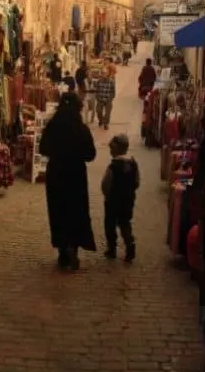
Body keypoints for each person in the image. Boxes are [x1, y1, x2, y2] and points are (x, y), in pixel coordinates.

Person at [39, 93, 97, 269]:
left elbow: (43, 148)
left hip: (56, 174)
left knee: (58, 211)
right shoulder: (81, 129)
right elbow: (90, 154)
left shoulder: (52, 127)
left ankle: (63, 251)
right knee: (76, 211)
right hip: (75, 175)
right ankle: (74, 248)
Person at [101, 134, 140, 262]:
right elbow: (137, 182)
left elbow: (106, 184)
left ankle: (112, 249)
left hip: (112, 201)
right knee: (125, 223)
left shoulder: (113, 166)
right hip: (128, 200)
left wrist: (106, 194)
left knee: (110, 225)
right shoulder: (133, 165)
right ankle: (130, 245)